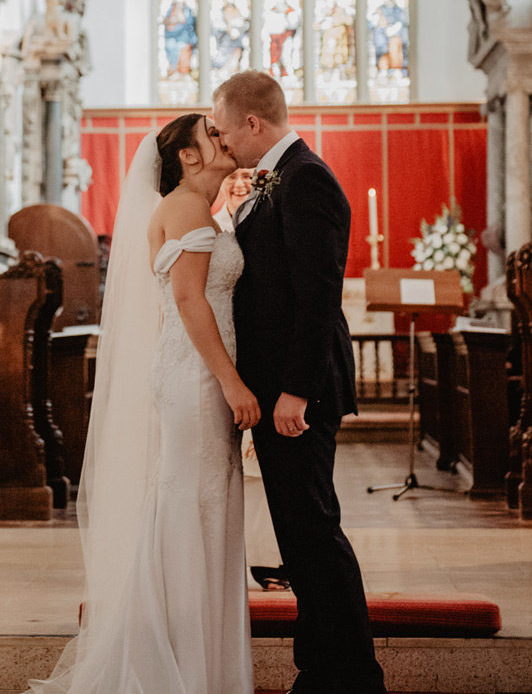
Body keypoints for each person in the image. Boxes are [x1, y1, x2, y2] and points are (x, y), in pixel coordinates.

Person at [31, 114, 257, 693]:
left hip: (198, 374)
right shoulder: (182, 208)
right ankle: (182, 666)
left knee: (203, 504)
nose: (223, 136)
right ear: (187, 156)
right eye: (211, 132)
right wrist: (232, 383)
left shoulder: (197, 209)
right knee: (191, 506)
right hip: (198, 378)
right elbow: (188, 302)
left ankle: (197, 661)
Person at [211, 70, 386, 694]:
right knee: (300, 533)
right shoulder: (275, 180)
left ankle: (352, 675)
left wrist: (296, 391)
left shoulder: (306, 179)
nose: (223, 143)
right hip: (283, 386)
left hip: (297, 391)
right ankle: (323, 667)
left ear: (253, 123)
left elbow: (317, 298)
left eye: (226, 130)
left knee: (312, 530)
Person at [214, 168, 289, 590]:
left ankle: (269, 560)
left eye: (248, 177)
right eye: (233, 178)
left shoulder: (268, 219)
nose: (241, 183)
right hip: (226, 360)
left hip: (259, 363)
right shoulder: (214, 230)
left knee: (262, 473)